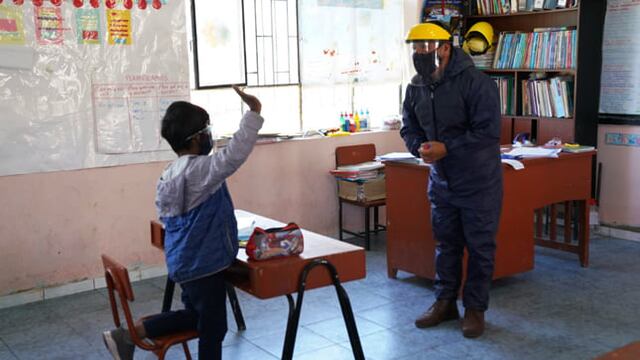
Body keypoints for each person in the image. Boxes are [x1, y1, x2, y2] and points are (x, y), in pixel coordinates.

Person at [102, 86, 263, 359]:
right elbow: (234, 155)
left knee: (194, 316)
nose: (209, 135)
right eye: (207, 130)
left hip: (185, 263)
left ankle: (130, 333)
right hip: (205, 266)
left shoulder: (171, 171)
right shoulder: (200, 171)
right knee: (213, 330)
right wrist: (254, 112)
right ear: (198, 138)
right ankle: (132, 333)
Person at [400, 21, 503, 338]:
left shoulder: (476, 83)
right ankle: (445, 303)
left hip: (478, 182)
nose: (420, 53)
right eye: (415, 48)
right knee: (446, 246)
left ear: (446, 47)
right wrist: (419, 146)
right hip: (442, 183)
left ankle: (475, 309)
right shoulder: (416, 86)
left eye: (426, 48)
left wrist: (448, 148)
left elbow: (487, 134)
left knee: (480, 248)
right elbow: (409, 126)